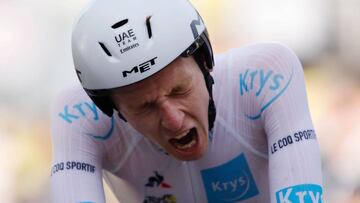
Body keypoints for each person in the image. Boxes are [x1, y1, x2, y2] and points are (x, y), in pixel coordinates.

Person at [50, 0, 323, 202]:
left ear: (205, 63)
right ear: (113, 109)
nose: (173, 119)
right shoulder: (79, 116)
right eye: (144, 106)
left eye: (179, 90)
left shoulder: (265, 73)